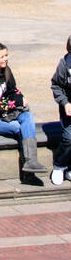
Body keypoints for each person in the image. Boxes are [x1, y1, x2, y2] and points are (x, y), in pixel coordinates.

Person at [0, 41, 46, 174]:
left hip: (5, 114)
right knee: (19, 128)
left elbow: (13, 91)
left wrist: (21, 99)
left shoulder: (6, 71)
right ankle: (26, 166)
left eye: (7, 55)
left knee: (28, 116)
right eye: (2, 56)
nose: (6, 59)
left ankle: (32, 161)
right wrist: (16, 103)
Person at [49, 36, 71, 186]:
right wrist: (65, 102)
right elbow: (56, 85)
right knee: (69, 138)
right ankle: (59, 166)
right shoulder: (65, 64)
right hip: (69, 107)